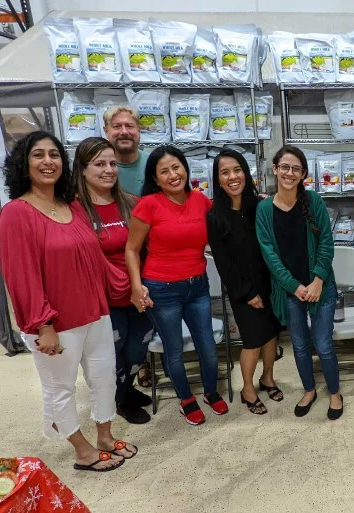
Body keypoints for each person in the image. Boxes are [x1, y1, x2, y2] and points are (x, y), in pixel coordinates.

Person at [0, 131, 136, 472]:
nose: (48, 162)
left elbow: (94, 259)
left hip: (95, 312)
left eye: (54, 155)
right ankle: (81, 449)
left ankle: (105, 435)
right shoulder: (17, 213)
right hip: (56, 322)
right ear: (23, 164)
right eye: (38, 155)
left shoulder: (71, 205)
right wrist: (42, 325)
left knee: (104, 378)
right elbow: (20, 275)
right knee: (60, 388)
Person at [125, 145, 228, 427]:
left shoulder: (200, 200)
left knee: (207, 346)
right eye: (164, 171)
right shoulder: (148, 205)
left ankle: (209, 391)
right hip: (162, 289)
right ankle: (185, 399)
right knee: (174, 348)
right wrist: (137, 286)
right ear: (155, 178)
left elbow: (225, 220)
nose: (173, 175)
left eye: (176, 167)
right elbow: (132, 249)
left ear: (186, 168)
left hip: (198, 286)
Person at [256, 145, 343, 421]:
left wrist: (317, 280)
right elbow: (268, 254)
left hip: (321, 287)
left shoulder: (313, 201)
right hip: (289, 291)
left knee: (323, 343)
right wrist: (294, 286)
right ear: (275, 169)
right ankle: (308, 389)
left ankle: (335, 393)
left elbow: (327, 244)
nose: (289, 173)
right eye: (284, 167)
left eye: (295, 169)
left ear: (303, 173)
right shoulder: (264, 209)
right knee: (300, 345)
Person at [72, 137, 154, 425]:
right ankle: (116, 399)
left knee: (137, 347)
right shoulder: (75, 210)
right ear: (82, 169)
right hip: (105, 298)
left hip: (138, 292)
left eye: (111, 164)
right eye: (99, 164)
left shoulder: (129, 203)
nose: (108, 170)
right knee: (112, 353)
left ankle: (124, 389)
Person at [207, 149, 283, 415]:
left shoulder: (259, 206)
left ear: (245, 173)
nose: (233, 177)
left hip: (271, 284)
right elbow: (223, 263)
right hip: (243, 290)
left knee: (272, 334)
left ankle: (268, 377)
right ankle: (248, 388)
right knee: (252, 340)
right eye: (225, 172)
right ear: (218, 180)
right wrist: (246, 292)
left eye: (237, 170)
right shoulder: (215, 217)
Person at [102, 105, 149, 196]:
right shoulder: (98, 169)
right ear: (106, 131)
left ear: (139, 130)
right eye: (117, 126)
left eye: (129, 126)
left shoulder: (154, 163)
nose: (124, 132)